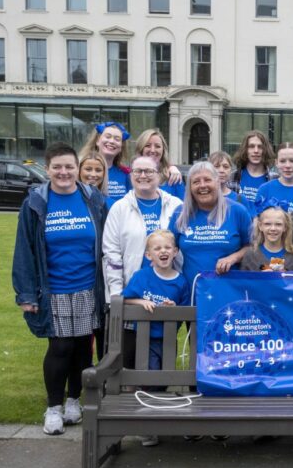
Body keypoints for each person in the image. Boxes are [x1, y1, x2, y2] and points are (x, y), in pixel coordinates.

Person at [12, 142, 107, 435]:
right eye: (57, 167)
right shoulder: (36, 203)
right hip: (53, 289)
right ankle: (53, 407)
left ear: (77, 168)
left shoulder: (93, 199)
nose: (64, 172)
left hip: (89, 287)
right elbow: (24, 251)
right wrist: (26, 294)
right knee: (60, 347)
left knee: (82, 347)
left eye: (69, 166)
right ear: (48, 168)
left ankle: (73, 401)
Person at [102, 155, 184, 351]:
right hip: (133, 292)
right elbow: (111, 252)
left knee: (161, 357)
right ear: (131, 175)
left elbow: (182, 246)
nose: (143, 175)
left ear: (159, 175)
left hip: (165, 295)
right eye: (138, 171)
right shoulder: (120, 208)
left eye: (149, 171)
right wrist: (116, 294)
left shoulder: (174, 205)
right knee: (129, 355)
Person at [122, 229, 190, 447]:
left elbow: (186, 309)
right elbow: (124, 300)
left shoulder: (181, 281)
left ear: (175, 252)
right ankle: (147, 427)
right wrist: (141, 302)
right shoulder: (142, 276)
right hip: (146, 340)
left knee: (162, 380)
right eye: (157, 248)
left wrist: (173, 308)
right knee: (149, 378)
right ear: (148, 255)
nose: (163, 251)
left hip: (168, 340)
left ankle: (154, 421)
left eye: (167, 247)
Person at [169, 161, 253, 286]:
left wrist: (233, 258)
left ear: (218, 182)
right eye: (196, 182)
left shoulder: (237, 211)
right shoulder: (180, 213)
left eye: (207, 180)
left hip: (230, 291)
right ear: (190, 187)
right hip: (191, 292)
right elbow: (167, 247)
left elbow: (253, 246)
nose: (202, 185)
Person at [241, 203, 293, 271]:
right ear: (260, 226)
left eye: (278, 224)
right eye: (267, 224)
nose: (273, 228)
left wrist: (285, 277)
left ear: (285, 227)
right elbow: (243, 280)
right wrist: (261, 278)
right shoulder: (250, 255)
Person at [254, 142, 293, 213]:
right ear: (276, 163)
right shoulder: (265, 190)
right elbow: (257, 221)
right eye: (282, 161)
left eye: (292, 161)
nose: (288, 165)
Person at [135, 129, 185, 200]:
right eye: (148, 145)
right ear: (141, 149)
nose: (152, 150)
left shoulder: (174, 178)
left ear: (163, 151)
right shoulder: (132, 177)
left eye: (157, 146)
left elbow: (183, 207)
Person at [232, 130, 274, 204]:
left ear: (265, 150)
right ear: (245, 150)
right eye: (251, 146)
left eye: (260, 147)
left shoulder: (274, 178)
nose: (256, 151)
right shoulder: (233, 177)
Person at [210, 150, 254, 216]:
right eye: (216, 166)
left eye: (225, 167)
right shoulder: (201, 198)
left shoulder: (241, 199)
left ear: (231, 170)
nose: (221, 170)